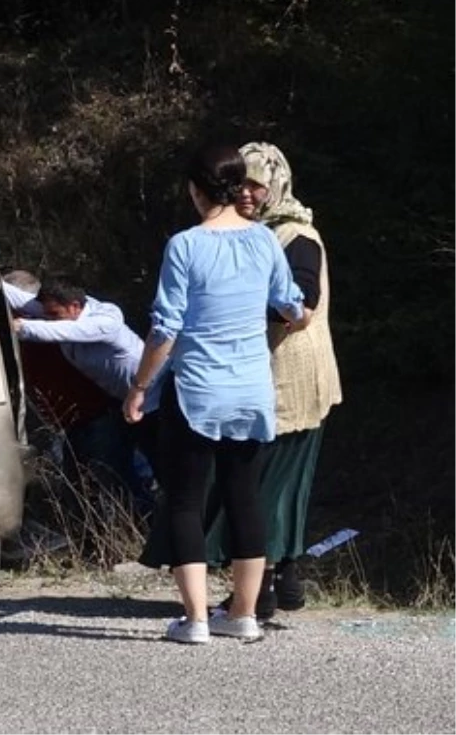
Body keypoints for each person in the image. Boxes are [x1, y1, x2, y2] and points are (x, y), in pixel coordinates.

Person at [123, 142, 307, 644]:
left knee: (183, 500)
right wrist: (302, 317)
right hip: (251, 389)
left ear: (195, 190)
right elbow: (291, 304)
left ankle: (196, 619)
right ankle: (244, 615)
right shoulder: (265, 241)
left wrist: (140, 387)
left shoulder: (185, 245)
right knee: (244, 496)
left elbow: (165, 329)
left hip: (198, 389)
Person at [206, 142, 343, 618]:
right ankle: (282, 578)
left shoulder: (295, 236)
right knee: (279, 486)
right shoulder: (254, 233)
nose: (244, 193)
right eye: (237, 183)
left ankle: (257, 588)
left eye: (254, 184)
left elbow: (301, 307)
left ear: (275, 186)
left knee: (266, 486)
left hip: (290, 380)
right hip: (264, 377)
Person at [3, 274, 161, 511]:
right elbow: (21, 299)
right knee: (119, 471)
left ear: (75, 306)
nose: (49, 319)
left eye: (53, 315)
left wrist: (20, 327)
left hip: (155, 402)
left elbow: (65, 331)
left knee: (162, 467)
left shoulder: (104, 320)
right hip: (127, 403)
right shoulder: (63, 313)